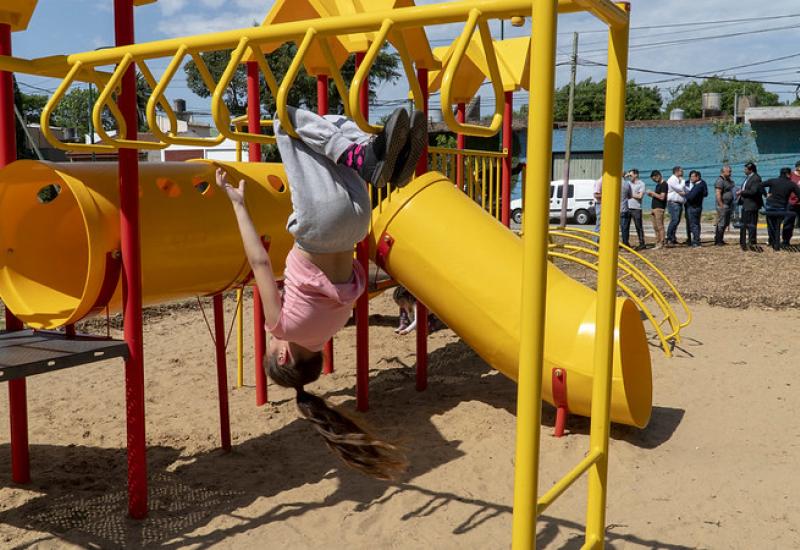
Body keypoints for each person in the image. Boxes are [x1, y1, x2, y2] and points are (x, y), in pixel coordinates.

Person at [217, 106, 425, 479]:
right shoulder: (283, 327)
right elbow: (260, 263)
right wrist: (237, 205)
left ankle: (373, 154)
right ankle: (363, 154)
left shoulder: (335, 324)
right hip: (320, 226)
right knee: (284, 119)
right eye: (268, 347)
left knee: (332, 127)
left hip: (358, 222)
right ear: (282, 356)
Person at [763, 167, 800, 250]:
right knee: (779, 223)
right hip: (784, 206)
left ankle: (776, 241)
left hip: (773, 206)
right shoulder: (791, 182)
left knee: (773, 224)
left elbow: (760, 185)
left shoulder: (773, 181)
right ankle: (776, 241)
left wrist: (766, 195)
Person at [738, 161, 763, 250]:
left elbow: (753, 191)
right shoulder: (748, 178)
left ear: (750, 169)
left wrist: (742, 192)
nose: (744, 171)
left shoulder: (756, 178)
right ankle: (743, 241)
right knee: (744, 224)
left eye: (745, 169)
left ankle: (752, 241)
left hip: (752, 205)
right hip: (745, 204)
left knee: (751, 224)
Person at [684, 170, 708, 248]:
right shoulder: (700, 184)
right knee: (696, 224)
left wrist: (685, 194)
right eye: (690, 177)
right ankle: (695, 240)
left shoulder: (699, 185)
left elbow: (691, 197)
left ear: (697, 177)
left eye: (692, 177)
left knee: (694, 224)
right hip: (697, 206)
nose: (691, 178)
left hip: (693, 207)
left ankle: (696, 242)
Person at [714, 165, 736, 245]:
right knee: (721, 223)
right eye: (729, 171)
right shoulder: (720, 181)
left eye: (730, 171)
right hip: (723, 205)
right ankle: (718, 241)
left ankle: (720, 239)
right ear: (723, 171)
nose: (730, 173)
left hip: (728, 205)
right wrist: (721, 205)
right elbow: (718, 193)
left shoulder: (728, 180)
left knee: (725, 223)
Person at [665, 166, 686, 246]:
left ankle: (673, 238)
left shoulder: (678, 180)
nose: (683, 172)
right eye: (681, 171)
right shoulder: (672, 180)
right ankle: (669, 238)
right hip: (673, 203)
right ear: (676, 172)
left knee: (676, 221)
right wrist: (683, 181)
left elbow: (683, 190)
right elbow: (680, 188)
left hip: (679, 203)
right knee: (674, 220)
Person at [625, 169, 646, 249]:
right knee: (625, 226)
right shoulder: (627, 183)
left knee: (638, 226)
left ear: (636, 175)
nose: (629, 177)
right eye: (629, 175)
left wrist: (630, 194)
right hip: (627, 207)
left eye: (631, 175)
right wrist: (624, 176)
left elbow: (640, 196)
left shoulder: (641, 184)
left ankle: (642, 243)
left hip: (636, 208)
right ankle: (625, 242)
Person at [647, 170, 667, 248]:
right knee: (655, 226)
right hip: (654, 207)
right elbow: (657, 196)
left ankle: (662, 242)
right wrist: (651, 195)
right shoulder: (658, 185)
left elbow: (662, 197)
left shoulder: (664, 184)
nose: (654, 181)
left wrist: (652, 193)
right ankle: (657, 241)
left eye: (654, 179)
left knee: (660, 226)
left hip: (659, 208)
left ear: (658, 176)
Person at [786, 160, 800, 243]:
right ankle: (786, 240)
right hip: (791, 203)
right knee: (789, 222)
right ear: (798, 167)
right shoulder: (790, 175)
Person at [619, 173, 633, 246]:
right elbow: (630, 196)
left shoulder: (614, 183)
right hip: (624, 208)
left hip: (614, 210)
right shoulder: (626, 184)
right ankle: (625, 243)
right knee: (625, 228)